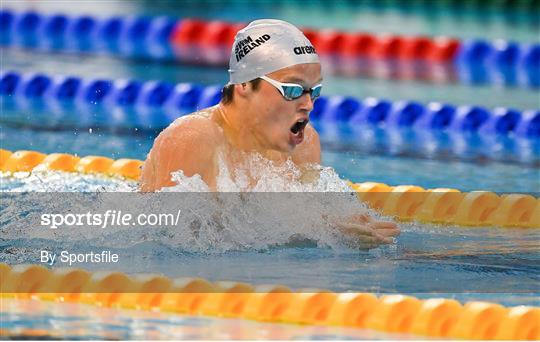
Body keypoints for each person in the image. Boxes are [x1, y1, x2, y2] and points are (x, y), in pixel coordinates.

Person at [140, 19, 399, 247]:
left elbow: (305, 216)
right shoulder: (192, 138)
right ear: (244, 85)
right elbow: (168, 237)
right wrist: (316, 229)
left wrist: (343, 225)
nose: (308, 104)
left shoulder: (305, 142)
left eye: (314, 91)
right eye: (293, 90)